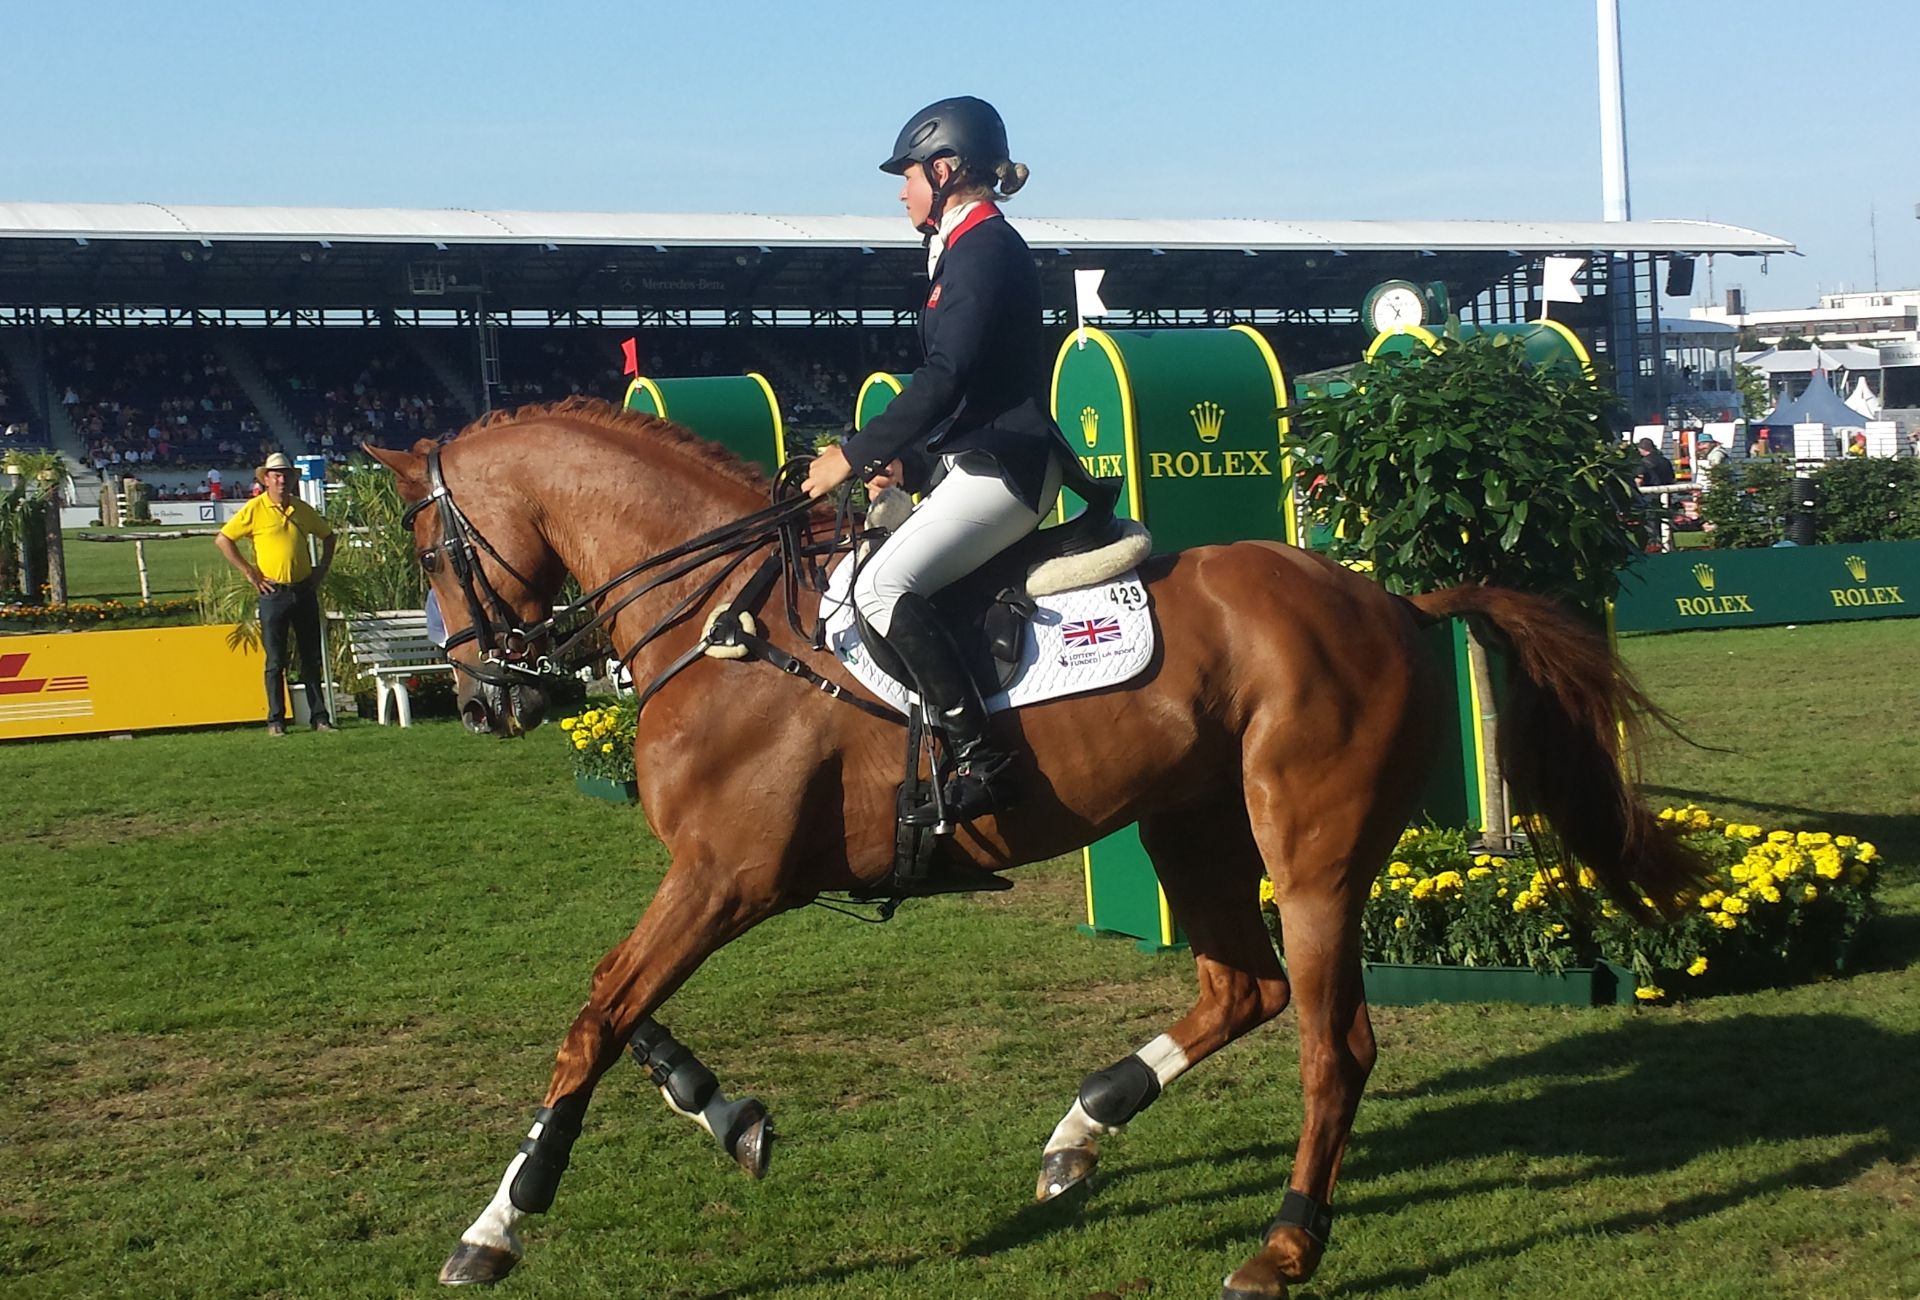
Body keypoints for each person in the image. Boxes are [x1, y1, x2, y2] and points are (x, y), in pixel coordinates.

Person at [800, 95, 1084, 827]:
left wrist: (855, 452)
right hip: (978, 462)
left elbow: (948, 376)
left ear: (945, 169)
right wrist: (912, 468)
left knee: (882, 587)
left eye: (908, 176)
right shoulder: (964, 247)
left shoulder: (984, 247)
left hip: (1008, 469)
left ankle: (983, 763)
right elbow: (970, 389)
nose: (900, 191)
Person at [215, 452, 337, 735]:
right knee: (275, 660)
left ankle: (320, 718)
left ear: (293, 479)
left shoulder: (302, 509)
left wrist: (322, 570)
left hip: (304, 587)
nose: (282, 480)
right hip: (273, 592)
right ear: (267, 479)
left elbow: (329, 536)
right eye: (276, 475)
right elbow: (223, 540)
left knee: (311, 658)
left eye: (286, 475)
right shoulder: (255, 509)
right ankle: (276, 720)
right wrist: (250, 572)